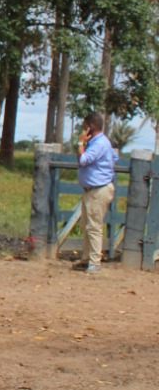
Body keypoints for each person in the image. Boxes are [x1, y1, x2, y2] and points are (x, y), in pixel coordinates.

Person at [76, 111, 117, 274]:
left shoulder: (99, 143)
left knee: (93, 227)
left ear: (90, 127)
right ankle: (86, 259)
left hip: (98, 190)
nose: (83, 130)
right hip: (93, 189)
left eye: (85, 126)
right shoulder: (101, 142)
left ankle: (94, 262)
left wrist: (80, 143)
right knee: (88, 226)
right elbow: (114, 158)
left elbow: (83, 160)